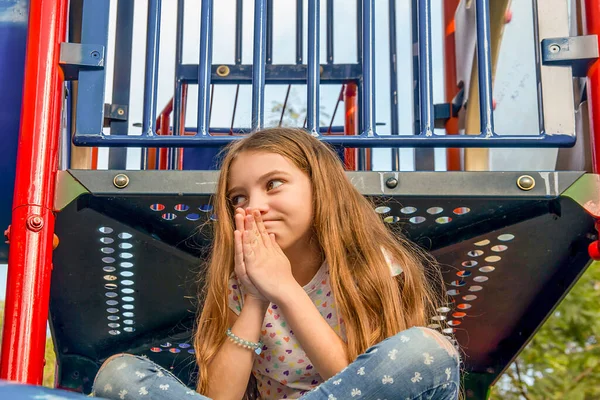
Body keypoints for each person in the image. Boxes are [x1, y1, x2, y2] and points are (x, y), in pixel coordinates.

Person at [93, 128, 460, 400]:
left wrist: (284, 289)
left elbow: (363, 382)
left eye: (274, 184)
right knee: (120, 373)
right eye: (239, 198)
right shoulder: (237, 282)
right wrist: (255, 296)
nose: (253, 206)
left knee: (426, 349)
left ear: (320, 188)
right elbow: (221, 398)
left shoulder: (367, 264)